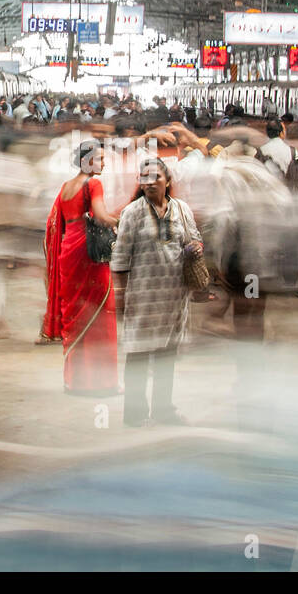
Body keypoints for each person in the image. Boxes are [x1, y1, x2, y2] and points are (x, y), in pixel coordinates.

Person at [111, 157, 203, 427]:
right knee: (139, 355)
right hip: (143, 298)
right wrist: (121, 297)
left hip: (174, 299)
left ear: (168, 181)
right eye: (145, 177)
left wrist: (196, 247)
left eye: (156, 177)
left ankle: (163, 409)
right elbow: (120, 258)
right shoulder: (132, 213)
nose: (150, 182)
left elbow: (193, 238)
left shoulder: (182, 209)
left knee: (166, 356)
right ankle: (135, 413)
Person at [43, 140, 120, 395]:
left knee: (76, 312)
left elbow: (60, 222)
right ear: (87, 161)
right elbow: (99, 216)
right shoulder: (93, 183)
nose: (104, 163)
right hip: (88, 252)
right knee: (100, 313)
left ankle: (75, 381)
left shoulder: (66, 186)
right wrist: (122, 219)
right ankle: (100, 383)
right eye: (99, 159)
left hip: (68, 250)